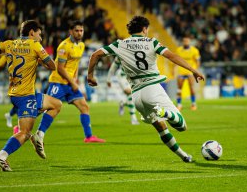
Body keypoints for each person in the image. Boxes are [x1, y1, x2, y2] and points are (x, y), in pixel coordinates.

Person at [87, 16, 205, 162]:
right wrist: (193, 70)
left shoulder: (120, 44)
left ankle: (184, 156)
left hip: (137, 95)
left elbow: (95, 54)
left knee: (161, 127)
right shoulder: (152, 42)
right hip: (152, 89)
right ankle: (164, 112)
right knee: (181, 126)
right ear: (144, 29)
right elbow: (172, 56)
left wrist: (90, 76)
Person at [0, 20, 62, 171]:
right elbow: (52, 66)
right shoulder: (35, 45)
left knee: (56, 104)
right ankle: (2, 155)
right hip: (26, 96)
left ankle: (39, 136)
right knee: (24, 133)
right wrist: (39, 59)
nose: (40, 38)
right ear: (31, 33)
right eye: (39, 35)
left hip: (15, 94)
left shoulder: (9, 44)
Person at [35, 21, 105, 143]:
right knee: (44, 108)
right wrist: (73, 83)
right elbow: (60, 68)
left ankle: (89, 137)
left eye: (81, 30)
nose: (79, 33)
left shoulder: (81, 45)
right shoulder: (64, 46)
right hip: (58, 82)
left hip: (70, 83)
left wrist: (75, 78)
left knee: (84, 107)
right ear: (71, 31)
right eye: (77, 30)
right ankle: (22, 126)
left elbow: (75, 64)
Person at [106, 57, 139, 125]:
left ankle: (123, 103)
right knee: (129, 92)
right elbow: (113, 67)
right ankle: (133, 118)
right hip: (122, 76)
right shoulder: (120, 52)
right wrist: (108, 79)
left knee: (135, 96)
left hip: (132, 76)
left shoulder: (136, 52)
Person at [0, 54, 18, 129]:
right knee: (20, 103)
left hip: (28, 81)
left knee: (23, 103)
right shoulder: (11, 49)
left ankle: (9, 115)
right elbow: (1, 62)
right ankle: (20, 128)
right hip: (15, 82)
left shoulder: (28, 48)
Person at [175, 36, 201, 111]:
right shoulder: (179, 50)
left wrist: (196, 71)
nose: (186, 42)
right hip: (181, 71)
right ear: (182, 42)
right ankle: (179, 105)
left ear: (189, 41)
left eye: (187, 41)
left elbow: (197, 61)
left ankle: (193, 104)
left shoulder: (194, 50)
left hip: (190, 72)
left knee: (191, 87)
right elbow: (176, 60)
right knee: (179, 89)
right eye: (184, 41)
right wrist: (174, 70)